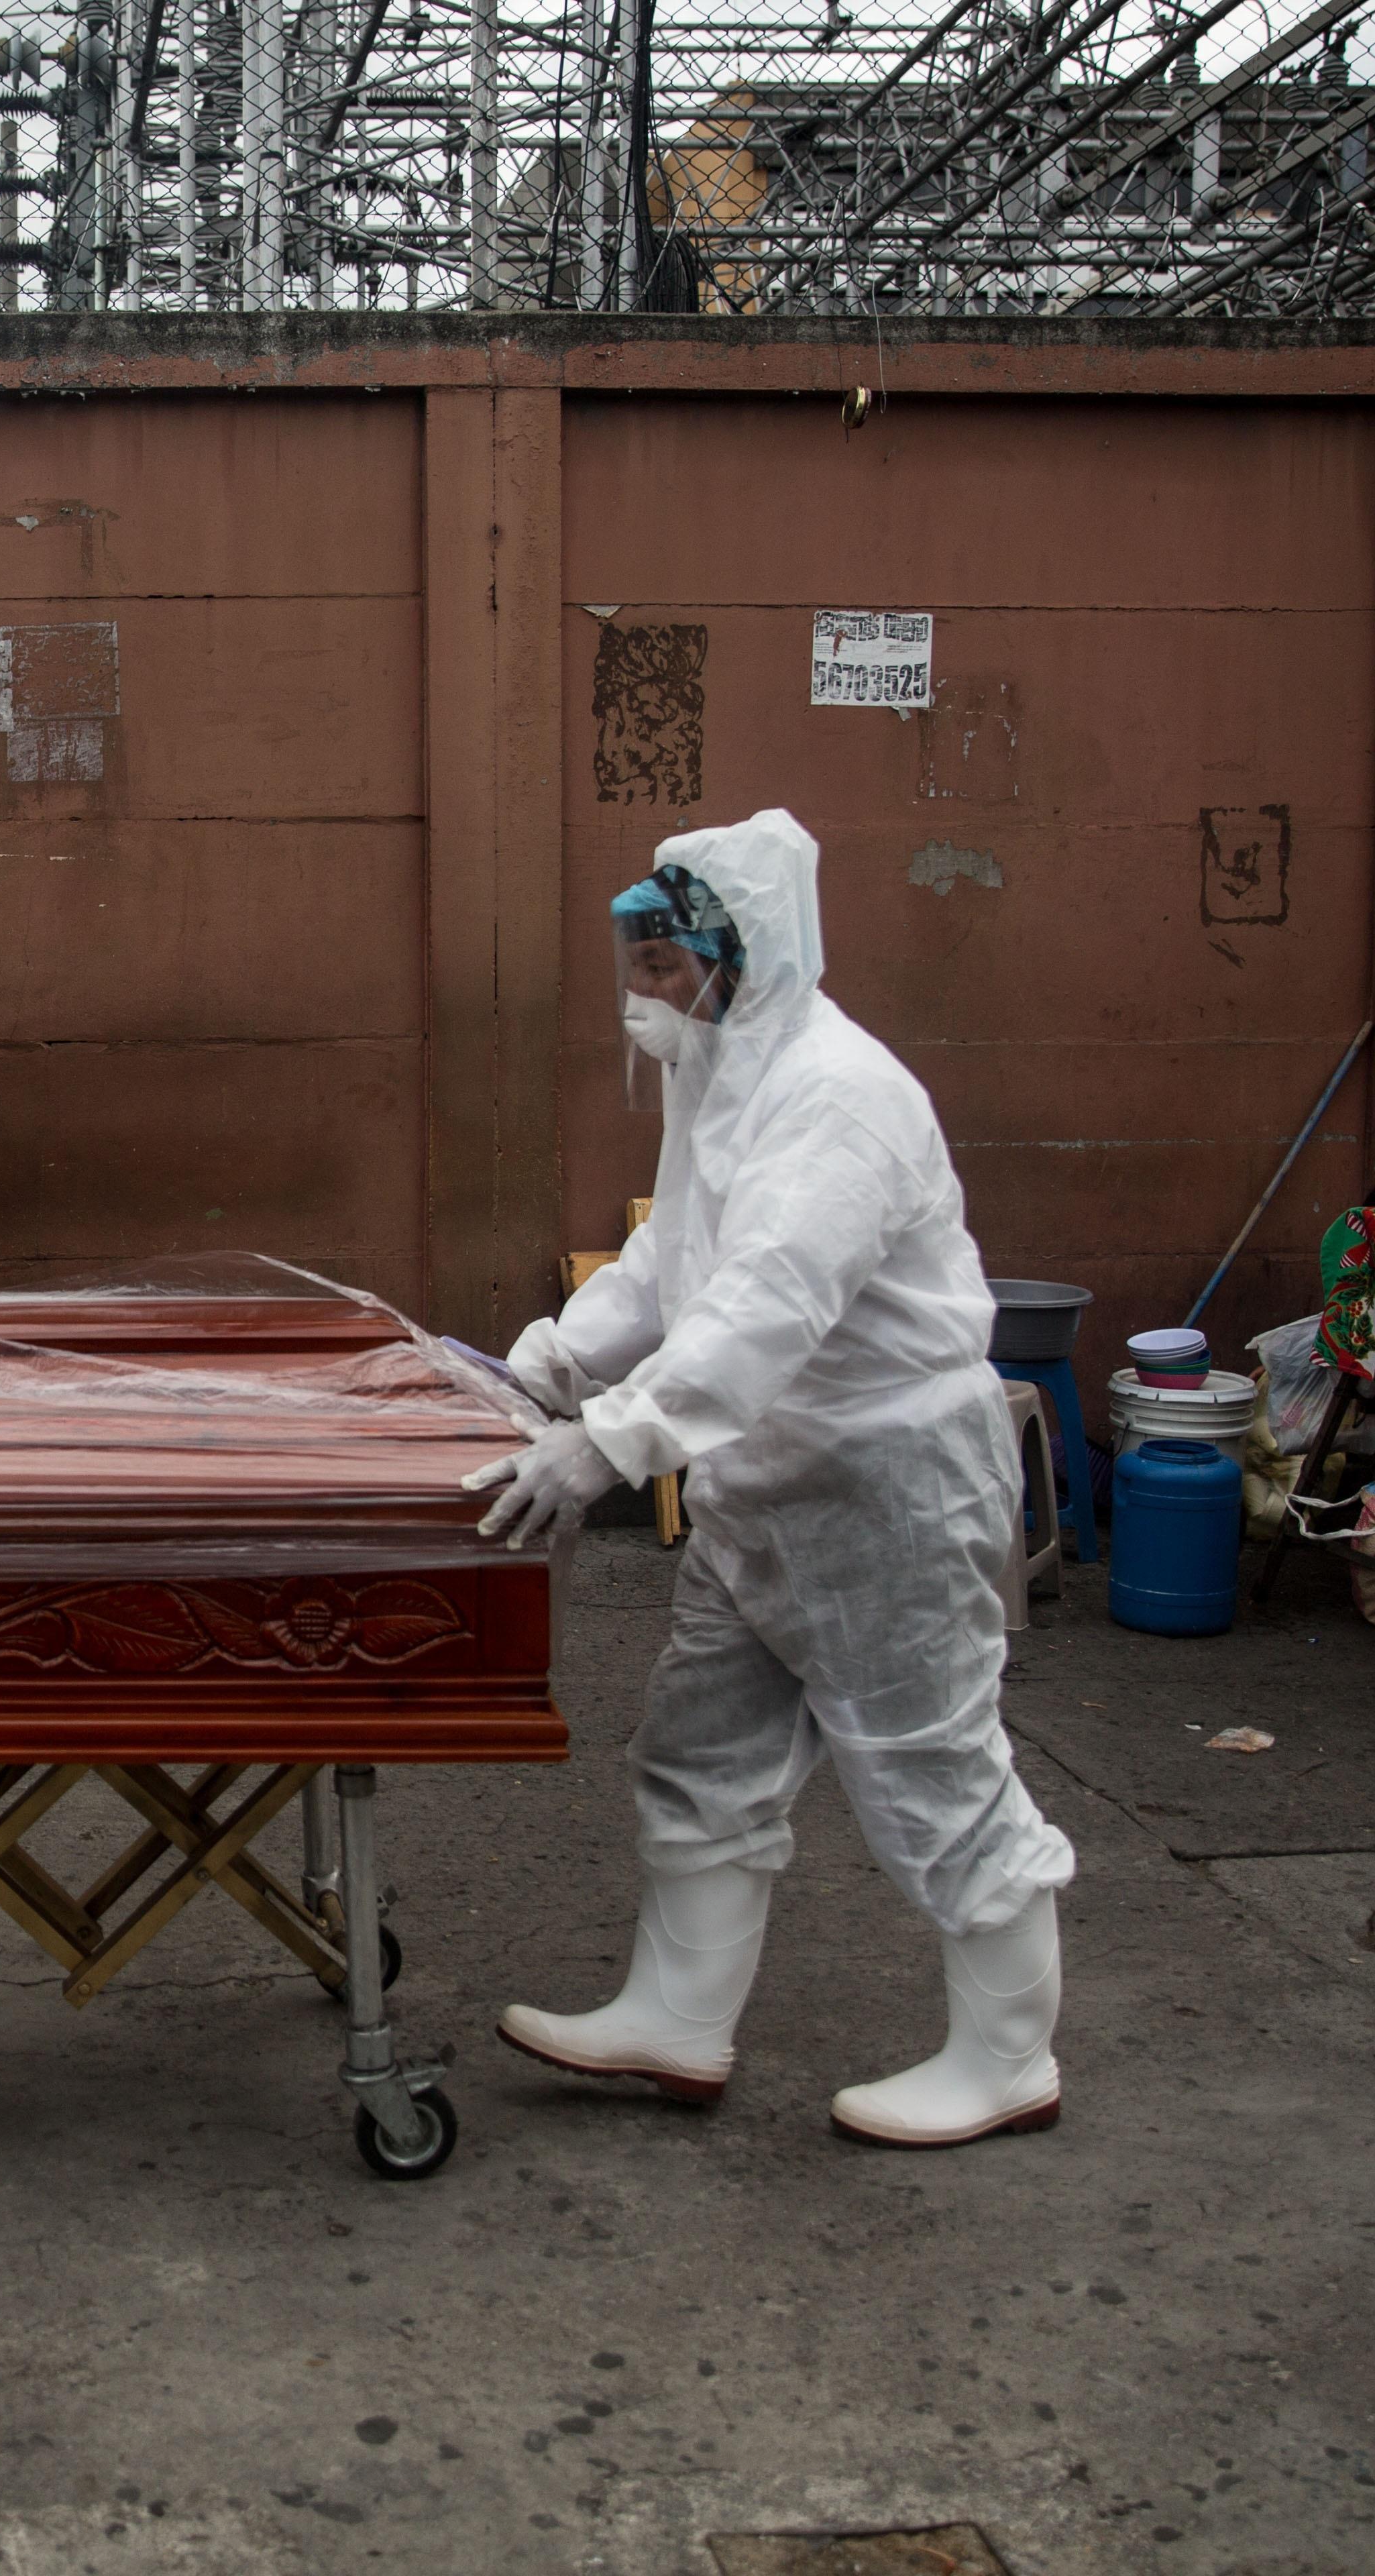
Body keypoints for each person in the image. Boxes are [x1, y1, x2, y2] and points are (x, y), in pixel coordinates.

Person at [463, 810, 1077, 2150]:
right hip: (762, 1478)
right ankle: (678, 2020)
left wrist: (614, 1441)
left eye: (670, 963)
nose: (648, 991)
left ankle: (1007, 2055)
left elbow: (771, 1302)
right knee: (700, 1754)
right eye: (638, 960)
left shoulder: (841, 1095)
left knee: (932, 1763)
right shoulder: (720, 1071)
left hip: (885, 1479)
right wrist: (553, 1365)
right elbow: (679, 1258)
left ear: (749, 953)